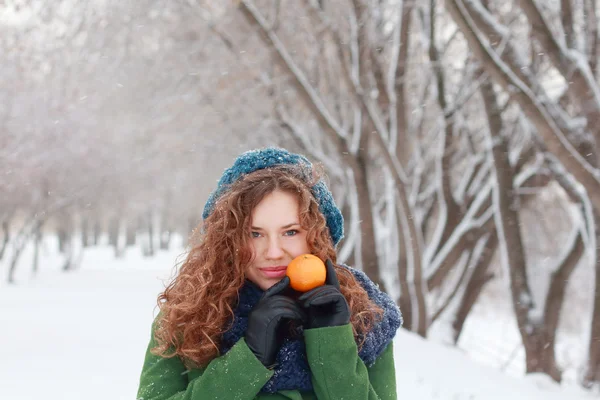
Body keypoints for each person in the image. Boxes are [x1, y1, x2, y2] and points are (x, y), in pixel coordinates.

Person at [136, 147, 402, 400]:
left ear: (318, 236)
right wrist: (248, 358)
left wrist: (331, 342)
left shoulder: (365, 314)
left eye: (291, 232)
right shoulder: (189, 312)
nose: (273, 252)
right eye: (254, 234)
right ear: (227, 240)